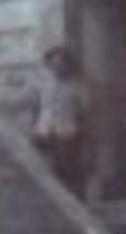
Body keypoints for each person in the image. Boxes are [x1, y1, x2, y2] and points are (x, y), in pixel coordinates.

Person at [31, 45, 87, 194]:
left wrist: (78, 131)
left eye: (61, 63)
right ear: (48, 65)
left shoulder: (76, 86)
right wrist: (36, 129)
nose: (57, 67)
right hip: (44, 131)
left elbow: (83, 112)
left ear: (67, 65)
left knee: (66, 169)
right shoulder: (42, 85)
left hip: (66, 133)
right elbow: (36, 108)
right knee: (45, 169)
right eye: (54, 63)